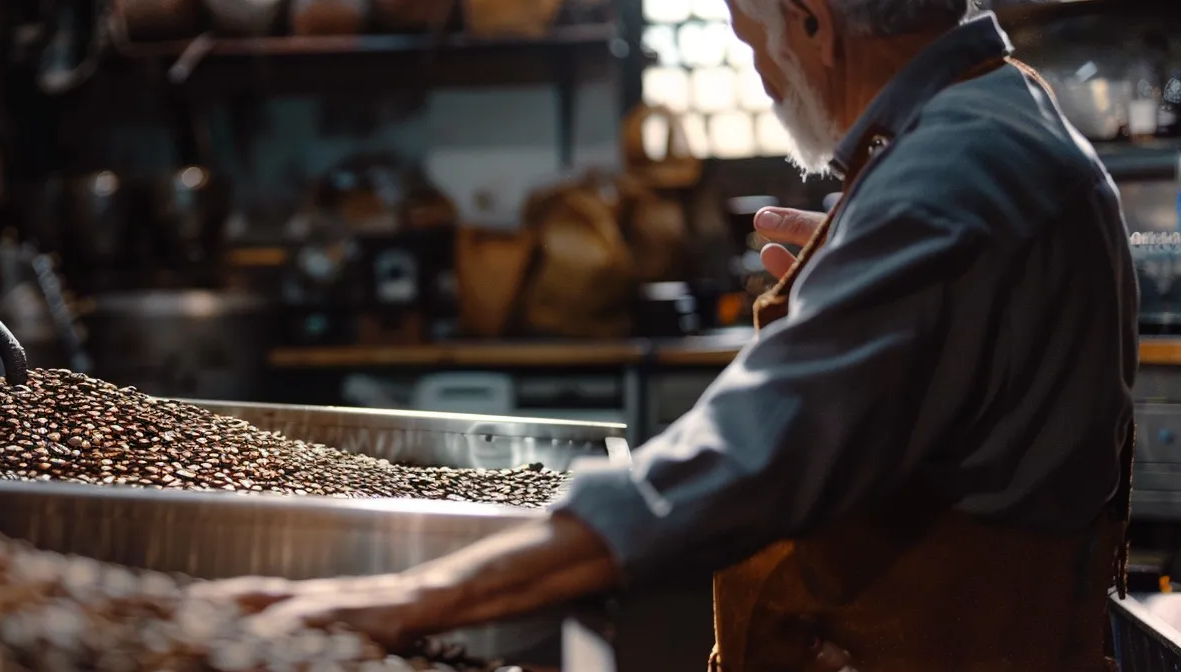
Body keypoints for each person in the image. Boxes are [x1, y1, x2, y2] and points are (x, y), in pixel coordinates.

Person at [196, 1, 1139, 669]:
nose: (763, 75)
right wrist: (872, 270)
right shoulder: (1002, 114)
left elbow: (744, 461)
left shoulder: (951, 181)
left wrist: (399, 602)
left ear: (812, 19)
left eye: (750, 35)